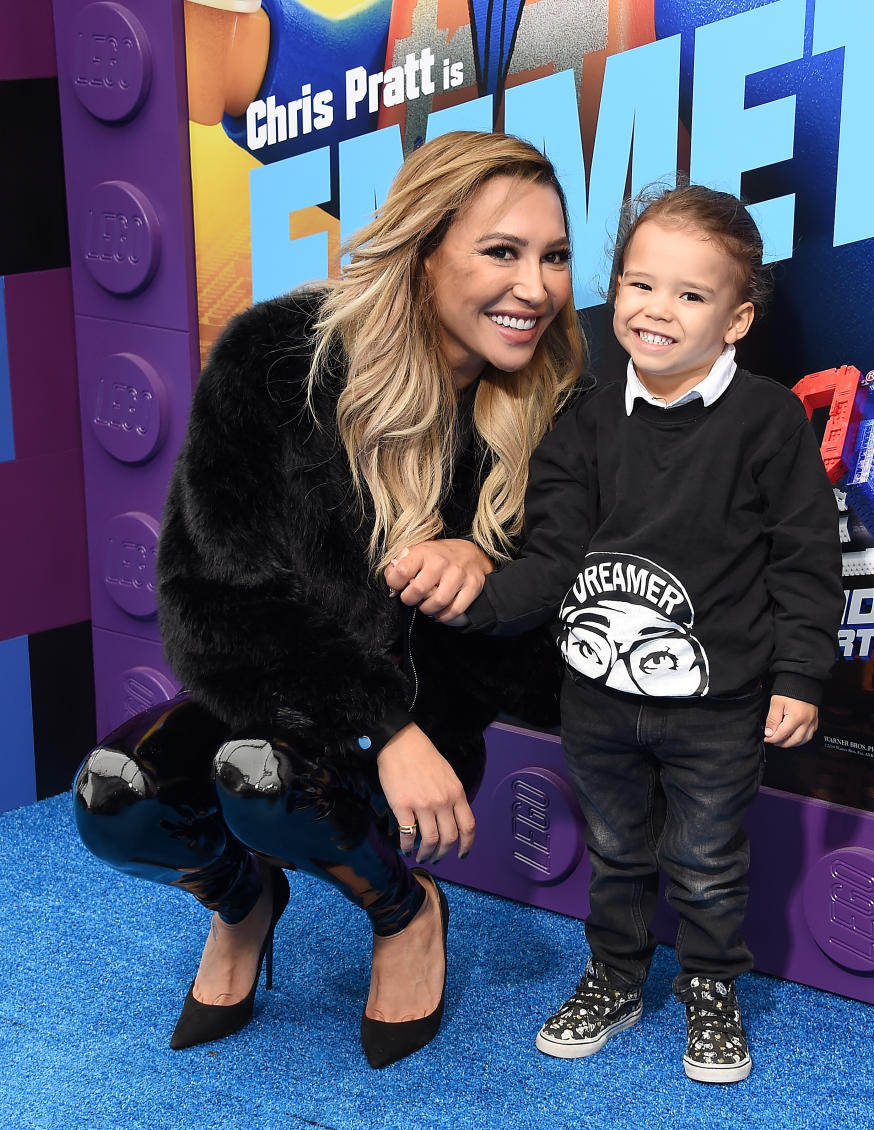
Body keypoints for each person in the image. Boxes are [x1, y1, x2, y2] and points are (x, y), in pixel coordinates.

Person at [72, 130, 585, 1069]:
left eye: (554, 256)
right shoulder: (278, 358)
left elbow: (572, 637)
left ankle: (405, 911)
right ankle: (244, 902)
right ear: (424, 253)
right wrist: (386, 728)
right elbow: (208, 599)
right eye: (502, 252)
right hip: (301, 705)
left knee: (266, 777)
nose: (537, 287)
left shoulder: (561, 411)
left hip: (431, 736)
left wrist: (487, 572)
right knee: (119, 795)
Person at [387, 184, 843, 1082]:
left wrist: (799, 677)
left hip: (718, 708)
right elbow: (554, 560)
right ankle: (615, 977)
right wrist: (470, 601)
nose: (656, 310)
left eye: (690, 294)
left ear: (737, 318)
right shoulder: (584, 420)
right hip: (596, 705)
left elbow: (805, 562)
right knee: (619, 854)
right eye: (640, 284)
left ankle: (710, 987)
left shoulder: (768, 421)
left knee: (708, 861)